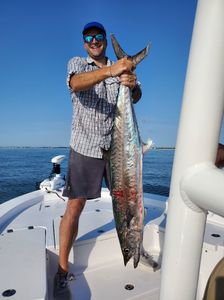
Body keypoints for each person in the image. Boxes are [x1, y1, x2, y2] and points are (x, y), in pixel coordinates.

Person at [53, 21, 142, 296]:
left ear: (104, 39)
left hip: (119, 148)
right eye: (89, 38)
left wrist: (131, 82)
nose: (94, 41)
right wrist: (113, 70)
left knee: (127, 200)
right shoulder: (77, 63)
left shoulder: (120, 70)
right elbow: (76, 84)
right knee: (75, 207)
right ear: (84, 43)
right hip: (86, 147)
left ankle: (134, 242)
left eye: (98, 36)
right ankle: (62, 269)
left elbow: (136, 97)